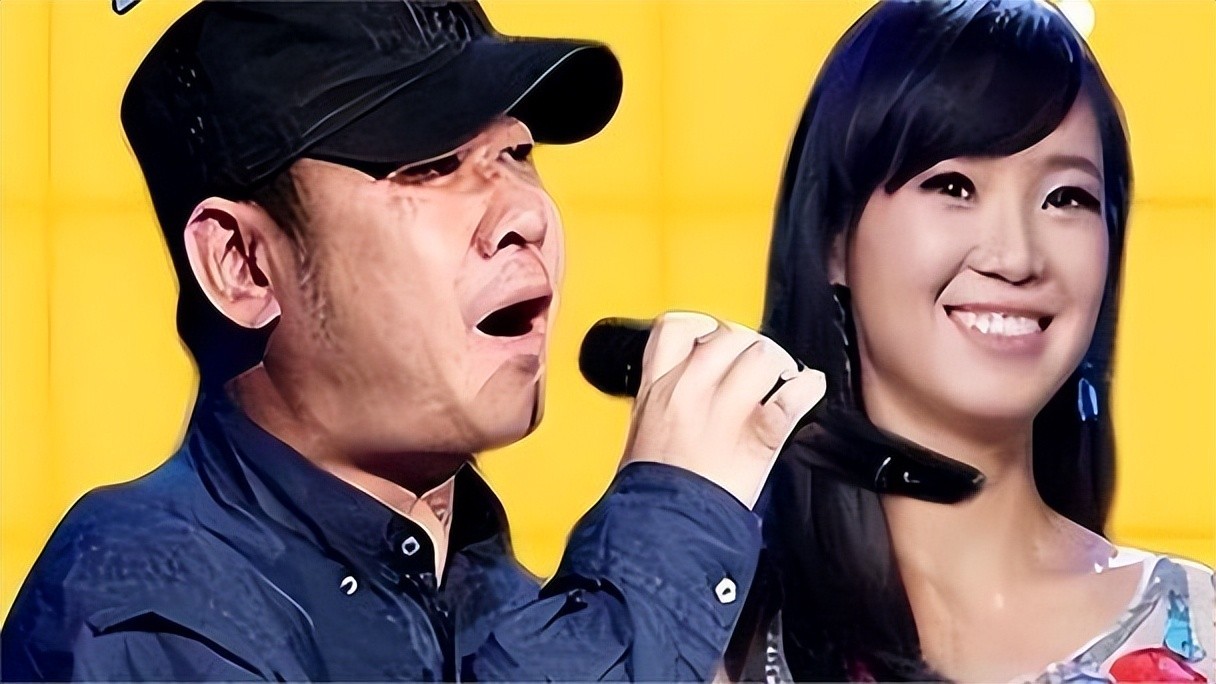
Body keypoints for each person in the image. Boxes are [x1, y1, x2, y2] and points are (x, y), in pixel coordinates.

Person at [0, 2, 828, 680]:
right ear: (242, 263)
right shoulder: (140, 607)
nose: (525, 214)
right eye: (430, 164)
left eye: (517, 153)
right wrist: (670, 539)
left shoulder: (506, 608)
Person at [733, 0, 1215, 681]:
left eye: (1066, 198)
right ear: (835, 239)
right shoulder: (706, 638)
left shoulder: (1200, 631)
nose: (1016, 257)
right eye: (954, 186)